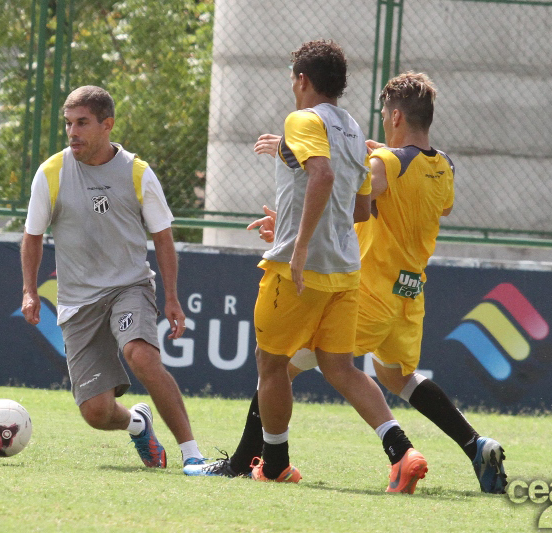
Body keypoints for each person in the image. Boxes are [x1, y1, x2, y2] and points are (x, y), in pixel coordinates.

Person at [186, 72, 508, 494]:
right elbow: (433, 206)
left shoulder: (386, 164)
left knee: (280, 365)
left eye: (383, 116)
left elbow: (349, 194)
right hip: (408, 296)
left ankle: (250, 460)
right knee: (396, 376)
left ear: (395, 115)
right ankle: (475, 444)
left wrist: (294, 168)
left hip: (367, 292)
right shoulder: (443, 165)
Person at [194, 40, 428, 492]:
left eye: (292, 76)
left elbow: (321, 174)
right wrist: (287, 223)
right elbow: (360, 210)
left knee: (271, 363)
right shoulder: (355, 129)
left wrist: (297, 246)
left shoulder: (302, 120)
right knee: (340, 368)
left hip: (298, 271)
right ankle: (402, 451)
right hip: (345, 270)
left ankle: (274, 461)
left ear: (302, 79)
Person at [20, 85, 205, 469]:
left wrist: (171, 297)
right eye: (68, 123)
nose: (73, 132)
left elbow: (163, 238)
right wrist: (29, 290)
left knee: (141, 356)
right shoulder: (51, 172)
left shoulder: (137, 173)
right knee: (96, 413)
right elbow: (32, 237)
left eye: (82, 123)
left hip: (129, 287)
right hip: (77, 301)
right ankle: (137, 423)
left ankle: (193, 456)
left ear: (108, 125)